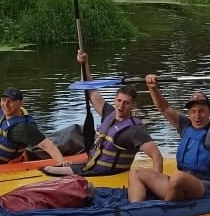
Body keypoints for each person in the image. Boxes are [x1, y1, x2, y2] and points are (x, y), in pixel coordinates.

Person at [45, 49, 164, 177]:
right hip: (91, 166)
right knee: (50, 168)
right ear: (115, 99)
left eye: (126, 103)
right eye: (119, 100)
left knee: (50, 170)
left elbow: (157, 156)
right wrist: (84, 64)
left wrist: (156, 181)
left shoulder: (134, 130)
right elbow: (90, 90)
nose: (121, 106)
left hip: (106, 173)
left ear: (133, 106)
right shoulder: (109, 113)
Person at [127, 73, 210, 202]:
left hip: (207, 187)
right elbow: (164, 108)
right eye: (193, 112)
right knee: (136, 172)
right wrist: (153, 88)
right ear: (189, 113)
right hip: (180, 183)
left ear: (209, 112)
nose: (197, 116)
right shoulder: (185, 126)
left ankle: (164, 211)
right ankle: (135, 211)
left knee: (178, 177)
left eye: (202, 111)